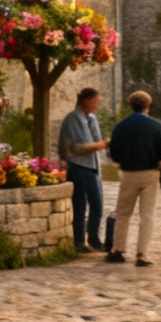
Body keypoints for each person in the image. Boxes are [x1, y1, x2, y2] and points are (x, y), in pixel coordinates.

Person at [105, 90, 161, 266]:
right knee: (147, 215)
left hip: (129, 173)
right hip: (150, 173)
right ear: (148, 105)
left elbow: (114, 153)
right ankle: (142, 254)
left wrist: (123, 161)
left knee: (123, 213)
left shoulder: (121, 126)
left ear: (130, 105)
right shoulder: (157, 126)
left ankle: (118, 250)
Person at [57, 87, 109, 254]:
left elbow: (96, 141)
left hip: (92, 166)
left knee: (97, 204)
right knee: (80, 205)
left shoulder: (92, 118)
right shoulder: (73, 119)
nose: (97, 103)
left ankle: (93, 238)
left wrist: (99, 145)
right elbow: (73, 148)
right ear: (85, 100)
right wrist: (99, 145)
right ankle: (79, 241)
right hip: (77, 166)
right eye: (95, 100)